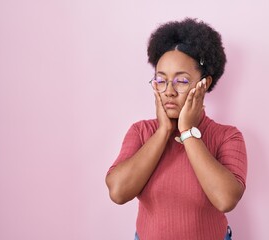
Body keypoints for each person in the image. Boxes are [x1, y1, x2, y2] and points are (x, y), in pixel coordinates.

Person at [105, 18, 247, 240]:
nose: (169, 91)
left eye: (181, 81)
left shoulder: (227, 136)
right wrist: (162, 132)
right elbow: (118, 192)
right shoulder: (141, 132)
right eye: (161, 81)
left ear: (204, 83)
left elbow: (226, 199)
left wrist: (187, 131)